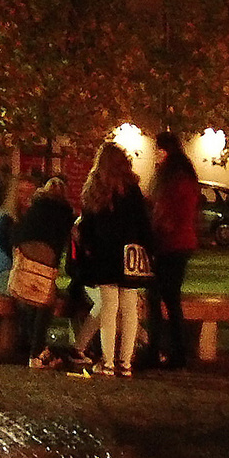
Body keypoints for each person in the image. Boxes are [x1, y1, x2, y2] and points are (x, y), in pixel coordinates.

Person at [75, 141, 153, 377]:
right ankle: (125, 362)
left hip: (104, 255)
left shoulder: (94, 188)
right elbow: (143, 223)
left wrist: (89, 248)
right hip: (129, 255)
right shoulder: (132, 189)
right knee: (130, 310)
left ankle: (107, 362)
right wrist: (147, 248)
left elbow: (86, 226)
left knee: (108, 311)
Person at [145, 130, 201, 370]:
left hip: (169, 243)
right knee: (170, 299)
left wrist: (151, 232)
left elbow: (163, 211)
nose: (155, 156)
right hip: (182, 243)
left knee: (156, 297)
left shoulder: (171, 178)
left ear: (164, 151)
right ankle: (176, 351)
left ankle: (157, 350)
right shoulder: (185, 175)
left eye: (157, 150)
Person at [11, 176, 75, 368]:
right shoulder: (65, 212)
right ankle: (36, 354)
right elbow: (61, 243)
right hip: (44, 258)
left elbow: (18, 233)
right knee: (46, 303)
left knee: (27, 300)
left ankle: (36, 347)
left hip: (24, 256)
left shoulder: (35, 207)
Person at [0, 175, 21, 296]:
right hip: (7, 272)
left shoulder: (21, 218)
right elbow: (9, 251)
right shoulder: (4, 220)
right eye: (21, 192)